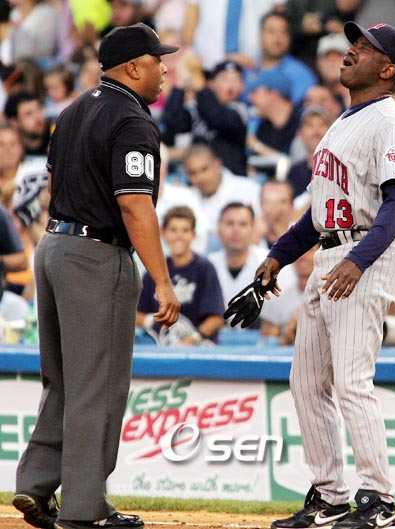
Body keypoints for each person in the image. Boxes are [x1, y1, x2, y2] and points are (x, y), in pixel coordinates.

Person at [248, 21, 395, 529]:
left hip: (366, 252)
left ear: (387, 70)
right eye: (353, 44)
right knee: (305, 382)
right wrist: (279, 255)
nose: (351, 51)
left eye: (365, 48)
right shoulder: (344, 120)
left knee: (350, 381)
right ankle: (330, 496)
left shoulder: (391, 123)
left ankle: (380, 502)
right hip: (333, 252)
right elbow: (320, 211)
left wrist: (358, 260)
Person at [12, 22, 180, 529]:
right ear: (132, 67)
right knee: (98, 387)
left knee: (63, 380)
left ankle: (36, 484)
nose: (164, 68)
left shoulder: (72, 110)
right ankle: (85, 510)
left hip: (53, 246)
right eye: (157, 60)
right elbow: (134, 204)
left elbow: (54, 186)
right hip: (95, 255)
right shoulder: (131, 119)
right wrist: (163, 280)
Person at [137, 206, 224, 344]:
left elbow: (217, 317)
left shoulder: (204, 268)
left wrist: (192, 340)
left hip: (201, 348)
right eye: (173, 230)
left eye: (185, 230)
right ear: (163, 233)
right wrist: (151, 321)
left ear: (193, 234)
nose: (179, 236)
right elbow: (136, 314)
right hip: (162, 346)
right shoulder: (155, 270)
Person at [160, 58, 249, 175]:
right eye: (225, 79)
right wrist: (180, 86)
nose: (230, 85)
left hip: (230, 178)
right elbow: (172, 121)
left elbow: (217, 117)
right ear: (212, 83)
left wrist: (200, 87)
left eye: (236, 79)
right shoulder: (198, 106)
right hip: (195, 177)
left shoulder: (240, 110)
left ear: (242, 86)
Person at [182, 143, 261, 252]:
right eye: (193, 173)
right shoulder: (187, 197)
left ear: (217, 164)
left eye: (204, 169)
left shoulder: (248, 189)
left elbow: (258, 232)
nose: (200, 178)